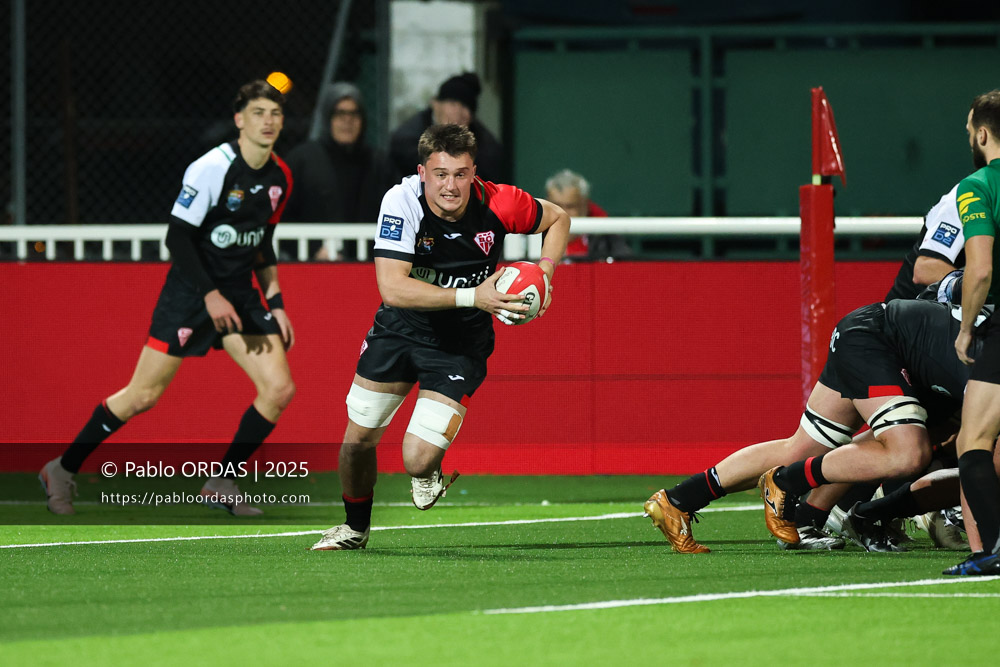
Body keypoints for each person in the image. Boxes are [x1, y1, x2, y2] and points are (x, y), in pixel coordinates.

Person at [38, 79, 297, 517]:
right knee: (142, 396)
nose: (267, 122)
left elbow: (262, 245)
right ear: (239, 120)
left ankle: (222, 480)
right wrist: (211, 295)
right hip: (192, 294)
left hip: (239, 295)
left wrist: (275, 303)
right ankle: (61, 468)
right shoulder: (211, 168)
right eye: (257, 113)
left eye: (275, 114)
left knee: (279, 388)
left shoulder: (280, 177)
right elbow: (177, 238)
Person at [311, 124, 570, 551]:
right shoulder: (401, 201)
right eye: (441, 174)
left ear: (474, 172)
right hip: (399, 329)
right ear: (422, 171)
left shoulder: (500, 201)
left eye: (461, 174)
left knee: (416, 458)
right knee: (358, 440)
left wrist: (544, 272)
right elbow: (392, 287)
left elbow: (558, 217)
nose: (451, 186)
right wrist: (475, 295)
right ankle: (354, 529)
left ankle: (428, 468)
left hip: (460, 344)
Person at [643, 297, 986, 554]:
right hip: (880, 344)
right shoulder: (988, 369)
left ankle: (679, 500)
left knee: (803, 449)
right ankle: (785, 482)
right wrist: (983, 551)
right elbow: (978, 460)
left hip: (876, 336)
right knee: (909, 453)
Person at [947, 89, 1000, 576]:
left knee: (974, 442)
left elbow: (978, 270)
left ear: (982, 133)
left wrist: (965, 329)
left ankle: (997, 550)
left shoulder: (977, 185)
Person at [283, 82, 398, 260]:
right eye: (340, 113)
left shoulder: (379, 164)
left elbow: (398, 213)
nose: (347, 121)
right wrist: (313, 250)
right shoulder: (302, 161)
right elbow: (282, 216)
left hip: (371, 267)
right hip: (313, 267)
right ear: (327, 118)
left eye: (354, 113)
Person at [388, 72, 506, 183]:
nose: (458, 113)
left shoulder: (485, 144)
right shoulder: (407, 138)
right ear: (435, 103)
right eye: (452, 104)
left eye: (466, 108)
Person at [544, 169, 631, 261]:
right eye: (556, 206)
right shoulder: (533, 232)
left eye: (570, 206)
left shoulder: (606, 235)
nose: (562, 212)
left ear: (584, 205)